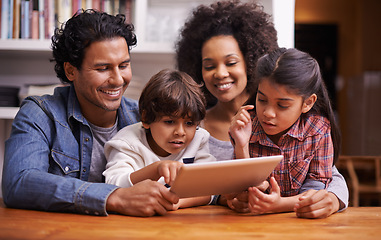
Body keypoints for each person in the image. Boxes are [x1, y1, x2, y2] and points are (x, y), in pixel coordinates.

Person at [175, 0, 348, 218]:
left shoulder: (295, 125)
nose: (219, 73)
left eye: (230, 62)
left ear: (250, 62)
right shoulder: (188, 127)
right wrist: (226, 197)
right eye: (209, 66)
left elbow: (329, 179)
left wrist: (332, 199)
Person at [2, 9, 179, 217]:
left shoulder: (145, 117)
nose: (118, 80)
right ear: (70, 71)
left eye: (123, 65)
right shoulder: (39, 114)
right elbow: (18, 183)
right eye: (103, 68)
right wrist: (114, 197)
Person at [229, 47, 341, 216]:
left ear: (307, 103)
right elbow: (240, 189)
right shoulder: (245, 126)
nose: (268, 113)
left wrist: (279, 204)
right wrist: (242, 146)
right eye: (262, 99)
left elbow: (316, 190)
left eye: (282, 105)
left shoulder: (318, 130)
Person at [103, 69, 216, 209]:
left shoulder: (198, 138)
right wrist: (156, 169)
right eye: (169, 122)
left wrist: (177, 203)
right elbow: (113, 186)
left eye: (189, 123)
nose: (180, 132)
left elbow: (210, 187)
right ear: (145, 118)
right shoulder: (127, 142)